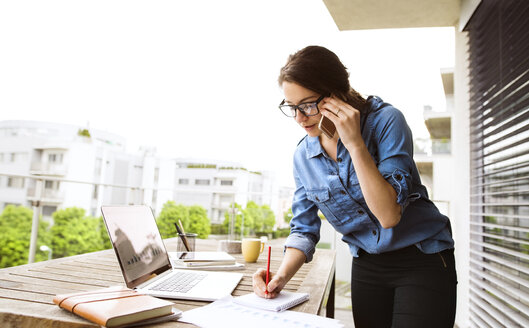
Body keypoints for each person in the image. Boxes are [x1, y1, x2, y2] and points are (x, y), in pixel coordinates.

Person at [252, 45, 457, 328]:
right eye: (291, 107)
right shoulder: (304, 156)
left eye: (308, 105)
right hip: (368, 264)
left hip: (421, 258)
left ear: (336, 93)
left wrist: (355, 144)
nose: (299, 118)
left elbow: (388, 215)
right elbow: (303, 228)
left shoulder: (386, 122)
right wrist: (280, 277)